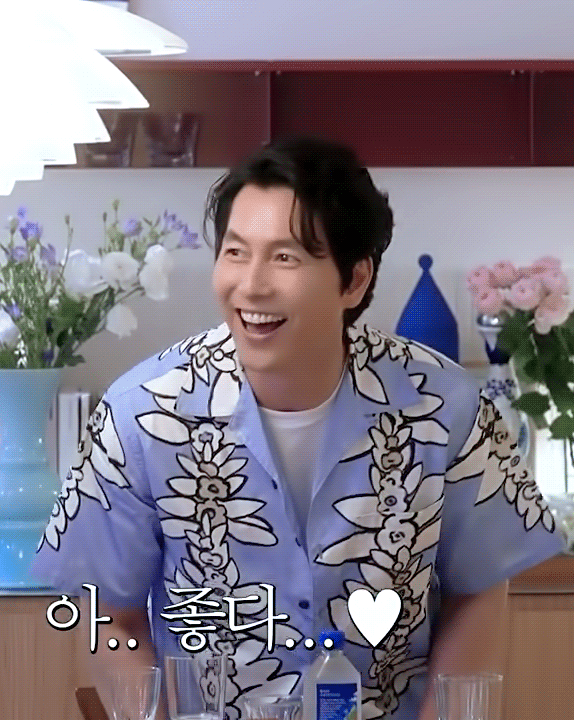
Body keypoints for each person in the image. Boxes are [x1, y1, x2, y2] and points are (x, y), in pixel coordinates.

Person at [32, 136, 565, 720]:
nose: (251, 285)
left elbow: (480, 588)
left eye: (285, 258)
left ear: (353, 280)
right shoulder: (139, 412)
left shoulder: (448, 407)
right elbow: (106, 613)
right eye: (236, 253)